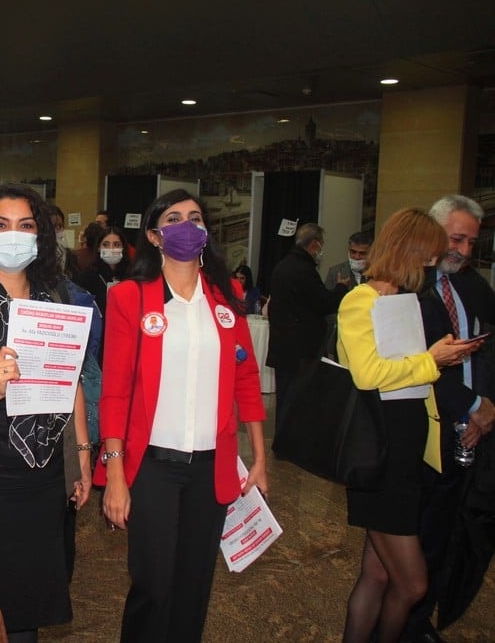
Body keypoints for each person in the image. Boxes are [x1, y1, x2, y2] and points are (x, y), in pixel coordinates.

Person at [95, 188, 267, 642]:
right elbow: (113, 392)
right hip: (152, 466)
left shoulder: (226, 297)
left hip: (211, 467)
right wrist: (114, 475)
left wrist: (261, 458)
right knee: (152, 584)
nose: (187, 226)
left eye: (195, 217)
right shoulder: (131, 297)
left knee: (195, 586)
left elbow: (246, 378)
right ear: (154, 235)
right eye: (174, 218)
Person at [0, 183, 93, 642]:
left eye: (25, 226)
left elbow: (72, 384)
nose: (14, 235)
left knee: (27, 610)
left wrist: (82, 456)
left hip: (44, 476)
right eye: (0, 225)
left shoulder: (59, 299)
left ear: (40, 236)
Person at [336, 207, 478, 643]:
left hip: (403, 457)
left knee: (378, 576)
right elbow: (368, 374)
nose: (432, 264)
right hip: (379, 460)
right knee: (413, 584)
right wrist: (432, 360)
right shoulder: (361, 300)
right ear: (410, 250)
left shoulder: (401, 300)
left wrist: (436, 357)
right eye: (428, 256)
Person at [404, 195, 495, 642]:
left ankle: (424, 622)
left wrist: (484, 408)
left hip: (469, 433)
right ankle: (405, 624)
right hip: (424, 432)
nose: (462, 249)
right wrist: (472, 406)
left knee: (446, 536)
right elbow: (417, 364)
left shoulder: (472, 286)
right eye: (455, 238)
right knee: (414, 543)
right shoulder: (408, 288)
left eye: (471, 242)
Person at [267, 223, 348, 436]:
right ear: (313, 245)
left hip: (282, 346)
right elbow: (324, 303)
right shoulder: (304, 270)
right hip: (301, 350)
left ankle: (282, 440)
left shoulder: (282, 266)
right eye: (320, 246)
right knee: (298, 399)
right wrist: (340, 288)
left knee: (285, 397)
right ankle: (290, 443)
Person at [75, 226, 132, 318]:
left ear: (123, 248)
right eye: (105, 244)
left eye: (116, 244)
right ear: (98, 248)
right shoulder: (87, 276)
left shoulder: (132, 275)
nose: (111, 248)